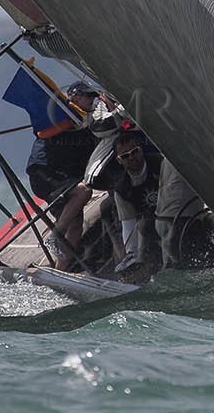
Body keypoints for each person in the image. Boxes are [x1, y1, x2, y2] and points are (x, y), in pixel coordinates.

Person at [24, 81, 99, 271]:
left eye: (93, 96)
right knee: (84, 192)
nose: (92, 99)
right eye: (87, 95)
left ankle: (60, 272)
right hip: (44, 173)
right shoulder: (60, 114)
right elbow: (41, 127)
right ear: (74, 96)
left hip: (64, 178)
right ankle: (56, 235)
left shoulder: (86, 125)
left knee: (76, 225)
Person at [106, 130, 163, 274]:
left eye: (134, 151)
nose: (131, 157)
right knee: (142, 228)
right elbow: (128, 224)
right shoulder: (121, 189)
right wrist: (132, 254)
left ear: (141, 150)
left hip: (172, 214)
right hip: (149, 225)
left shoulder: (161, 164)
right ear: (119, 160)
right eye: (125, 156)